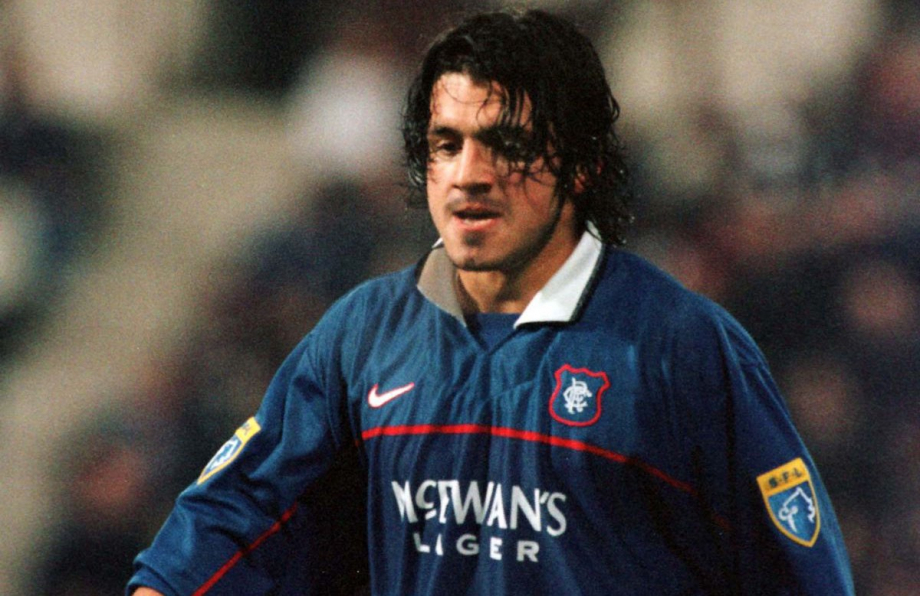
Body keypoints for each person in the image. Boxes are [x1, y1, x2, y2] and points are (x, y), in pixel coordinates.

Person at [128, 8, 854, 595]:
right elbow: (237, 513)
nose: (469, 175)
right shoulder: (362, 335)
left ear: (582, 166)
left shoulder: (682, 347)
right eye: (447, 144)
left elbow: (797, 571)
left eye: (507, 145)